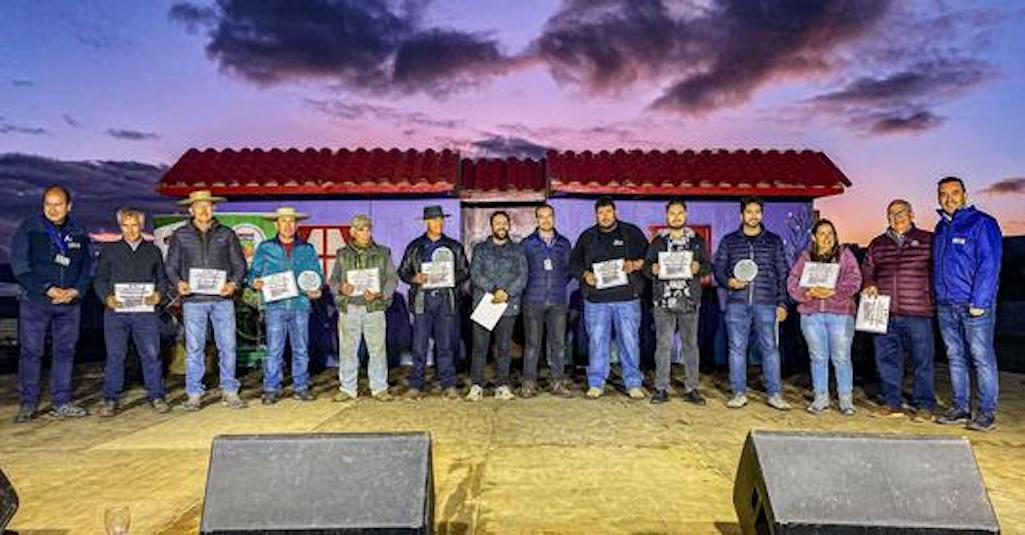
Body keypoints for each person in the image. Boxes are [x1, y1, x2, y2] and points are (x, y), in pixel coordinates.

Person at [11, 185, 93, 423]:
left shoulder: (79, 231)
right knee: (31, 353)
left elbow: (88, 268)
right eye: (48, 204)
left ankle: (62, 402)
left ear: (69, 206)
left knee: (65, 352)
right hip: (35, 302)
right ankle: (28, 404)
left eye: (58, 204)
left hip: (69, 304)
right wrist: (47, 288)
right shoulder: (29, 229)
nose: (52, 209)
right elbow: (20, 267)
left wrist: (77, 290)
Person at [165, 190, 248, 411]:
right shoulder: (180, 235)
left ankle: (230, 391)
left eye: (208, 206)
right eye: (199, 206)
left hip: (222, 300)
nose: (204, 210)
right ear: (190, 210)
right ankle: (194, 394)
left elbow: (240, 266)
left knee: (228, 347)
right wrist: (178, 282)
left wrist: (233, 284)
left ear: (214, 208)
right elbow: (171, 266)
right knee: (194, 348)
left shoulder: (227, 234)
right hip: (193, 300)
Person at [932, 177, 1003, 431]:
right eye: (943, 194)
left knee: (981, 357)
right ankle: (960, 407)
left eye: (954, 193)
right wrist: (938, 296)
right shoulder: (941, 229)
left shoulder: (982, 223)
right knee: (955, 357)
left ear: (965, 195)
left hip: (973, 306)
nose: (948, 198)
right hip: (946, 304)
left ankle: (986, 412)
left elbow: (989, 264)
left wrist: (980, 301)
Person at [713, 196, 791, 410]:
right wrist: (728, 281)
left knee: (770, 348)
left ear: (762, 214)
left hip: (766, 303)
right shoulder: (729, 241)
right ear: (742, 215)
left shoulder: (774, 241)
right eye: (749, 211)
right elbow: (718, 269)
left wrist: (782, 303)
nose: (753, 215)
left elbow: (783, 273)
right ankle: (739, 393)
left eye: (757, 211)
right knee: (737, 349)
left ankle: (774, 393)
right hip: (737, 304)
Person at [861, 200, 936, 420]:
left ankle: (924, 405)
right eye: (891, 214)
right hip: (884, 312)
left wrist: (930, 296)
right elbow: (867, 270)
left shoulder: (928, 240)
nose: (896, 217)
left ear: (912, 214)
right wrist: (868, 283)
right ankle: (892, 402)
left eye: (901, 212)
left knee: (923, 360)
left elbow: (938, 272)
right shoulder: (877, 243)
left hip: (918, 311)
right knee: (886, 359)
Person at [568, 197, 649, 399]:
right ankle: (596, 383)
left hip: (627, 299)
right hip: (596, 301)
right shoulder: (587, 237)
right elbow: (574, 264)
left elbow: (650, 259)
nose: (604, 216)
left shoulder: (632, 233)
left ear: (615, 212)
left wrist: (636, 265)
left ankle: (633, 383)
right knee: (597, 343)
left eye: (608, 212)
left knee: (630, 342)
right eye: (600, 213)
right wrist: (585, 276)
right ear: (596, 215)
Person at [94, 208, 170, 416]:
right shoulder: (109, 250)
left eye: (134, 225)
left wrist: (159, 295)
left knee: (151, 355)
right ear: (120, 227)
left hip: (145, 312)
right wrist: (106, 297)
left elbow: (162, 279)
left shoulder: (153, 251)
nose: (130, 230)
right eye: (126, 225)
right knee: (115, 356)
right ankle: (110, 399)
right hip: (116, 313)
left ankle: (156, 396)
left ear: (141, 225)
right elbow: (99, 278)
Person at [249, 207, 324, 405]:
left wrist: (316, 288)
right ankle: (271, 388)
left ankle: (301, 387)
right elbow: (253, 274)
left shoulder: (307, 249)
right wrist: (254, 282)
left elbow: (317, 274)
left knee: (301, 349)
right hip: (275, 305)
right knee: (274, 349)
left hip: (300, 304)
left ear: (297, 225)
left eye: (292, 221)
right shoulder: (265, 248)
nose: (288, 225)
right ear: (276, 224)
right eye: (284, 221)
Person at [787, 219, 862, 415]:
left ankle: (846, 400)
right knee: (818, 357)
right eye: (821, 233)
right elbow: (792, 282)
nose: (826, 237)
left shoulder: (844, 255)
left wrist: (834, 292)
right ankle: (821, 398)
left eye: (830, 233)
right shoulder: (806, 258)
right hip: (812, 315)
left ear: (835, 236)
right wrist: (808, 293)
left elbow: (855, 280)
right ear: (814, 237)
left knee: (841, 357)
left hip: (840, 314)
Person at [398, 205, 470, 399]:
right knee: (419, 345)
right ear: (427, 222)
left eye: (441, 220)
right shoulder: (414, 246)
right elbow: (402, 271)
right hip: (423, 300)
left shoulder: (454, 246)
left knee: (446, 345)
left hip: (446, 300)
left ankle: (448, 384)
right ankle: (417, 385)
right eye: (434, 220)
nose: (438, 223)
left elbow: (465, 270)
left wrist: (450, 277)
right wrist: (414, 278)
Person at [645, 199, 711, 405]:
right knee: (663, 345)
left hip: (689, 300)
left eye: (679, 213)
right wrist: (652, 269)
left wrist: (698, 268)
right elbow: (647, 267)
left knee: (690, 345)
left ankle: (692, 388)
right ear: (666, 216)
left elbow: (708, 267)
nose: (676, 217)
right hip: (663, 301)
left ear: (686, 215)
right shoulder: (658, 241)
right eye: (672, 213)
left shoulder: (696, 240)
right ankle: (661, 388)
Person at [329, 214, 399, 402]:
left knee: (377, 349)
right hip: (349, 307)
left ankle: (379, 387)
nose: (365, 233)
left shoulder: (383, 253)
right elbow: (333, 280)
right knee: (347, 350)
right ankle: (347, 388)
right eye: (360, 229)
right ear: (352, 231)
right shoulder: (342, 254)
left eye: (368, 229)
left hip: (374, 307)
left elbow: (392, 279)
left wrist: (381, 293)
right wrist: (341, 288)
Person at [467, 211, 528, 401]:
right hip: (485, 303)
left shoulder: (518, 250)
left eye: (504, 223)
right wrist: (495, 290)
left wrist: (507, 293)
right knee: (480, 347)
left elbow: (522, 276)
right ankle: (477, 386)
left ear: (509, 226)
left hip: (508, 305)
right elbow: (476, 274)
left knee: (504, 347)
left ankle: (502, 385)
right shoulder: (480, 249)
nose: (501, 226)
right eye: (497, 223)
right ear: (491, 227)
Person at [520, 204, 574, 398]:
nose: (545, 220)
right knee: (533, 345)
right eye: (541, 217)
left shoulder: (564, 243)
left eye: (549, 216)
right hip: (533, 300)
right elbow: (521, 271)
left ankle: (558, 382)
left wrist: (557, 284)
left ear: (554, 218)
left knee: (558, 344)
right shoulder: (527, 244)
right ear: (536, 220)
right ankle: (529, 383)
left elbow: (569, 270)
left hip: (558, 301)